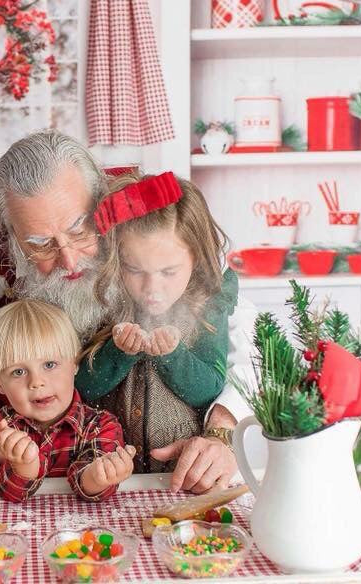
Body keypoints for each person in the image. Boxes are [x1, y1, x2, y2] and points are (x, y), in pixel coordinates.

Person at [0, 130, 252, 497]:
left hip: (146, 463)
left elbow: (243, 337)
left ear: (101, 198)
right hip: (22, 452)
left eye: (80, 229)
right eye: (40, 245)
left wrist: (222, 430)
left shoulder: (150, 213)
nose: (70, 259)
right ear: (10, 231)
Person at [76, 171, 254, 483]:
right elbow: (80, 388)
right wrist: (118, 352)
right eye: (133, 269)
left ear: (197, 259)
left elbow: (211, 386)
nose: (151, 289)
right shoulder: (103, 299)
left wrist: (172, 355)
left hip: (181, 478)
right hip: (106, 481)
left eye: (169, 272)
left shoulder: (206, 305)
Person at [0, 299, 135, 502]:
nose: (36, 382)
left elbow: (90, 490)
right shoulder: (5, 426)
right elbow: (11, 493)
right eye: (18, 371)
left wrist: (99, 476)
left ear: (74, 364)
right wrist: (24, 465)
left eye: (50, 364)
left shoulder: (102, 425)